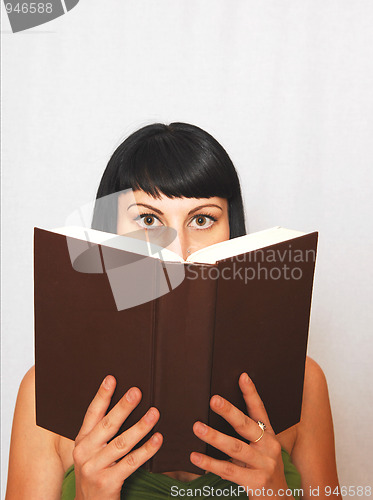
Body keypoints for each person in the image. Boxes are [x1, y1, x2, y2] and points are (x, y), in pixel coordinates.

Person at [6, 123, 342, 500]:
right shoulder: (44, 392)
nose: (179, 252)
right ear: (107, 235)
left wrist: (276, 494)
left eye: (202, 219)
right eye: (148, 220)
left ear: (232, 232)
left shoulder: (303, 382)